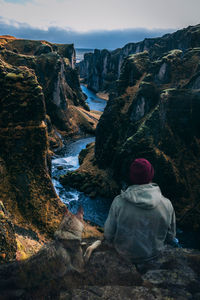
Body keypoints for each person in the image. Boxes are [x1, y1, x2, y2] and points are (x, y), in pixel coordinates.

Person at [104, 158, 177, 264]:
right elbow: (171, 236)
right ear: (151, 175)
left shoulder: (118, 202)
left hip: (124, 257)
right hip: (154, 256)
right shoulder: (167, 204)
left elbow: (108, 234)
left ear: (131, 177)